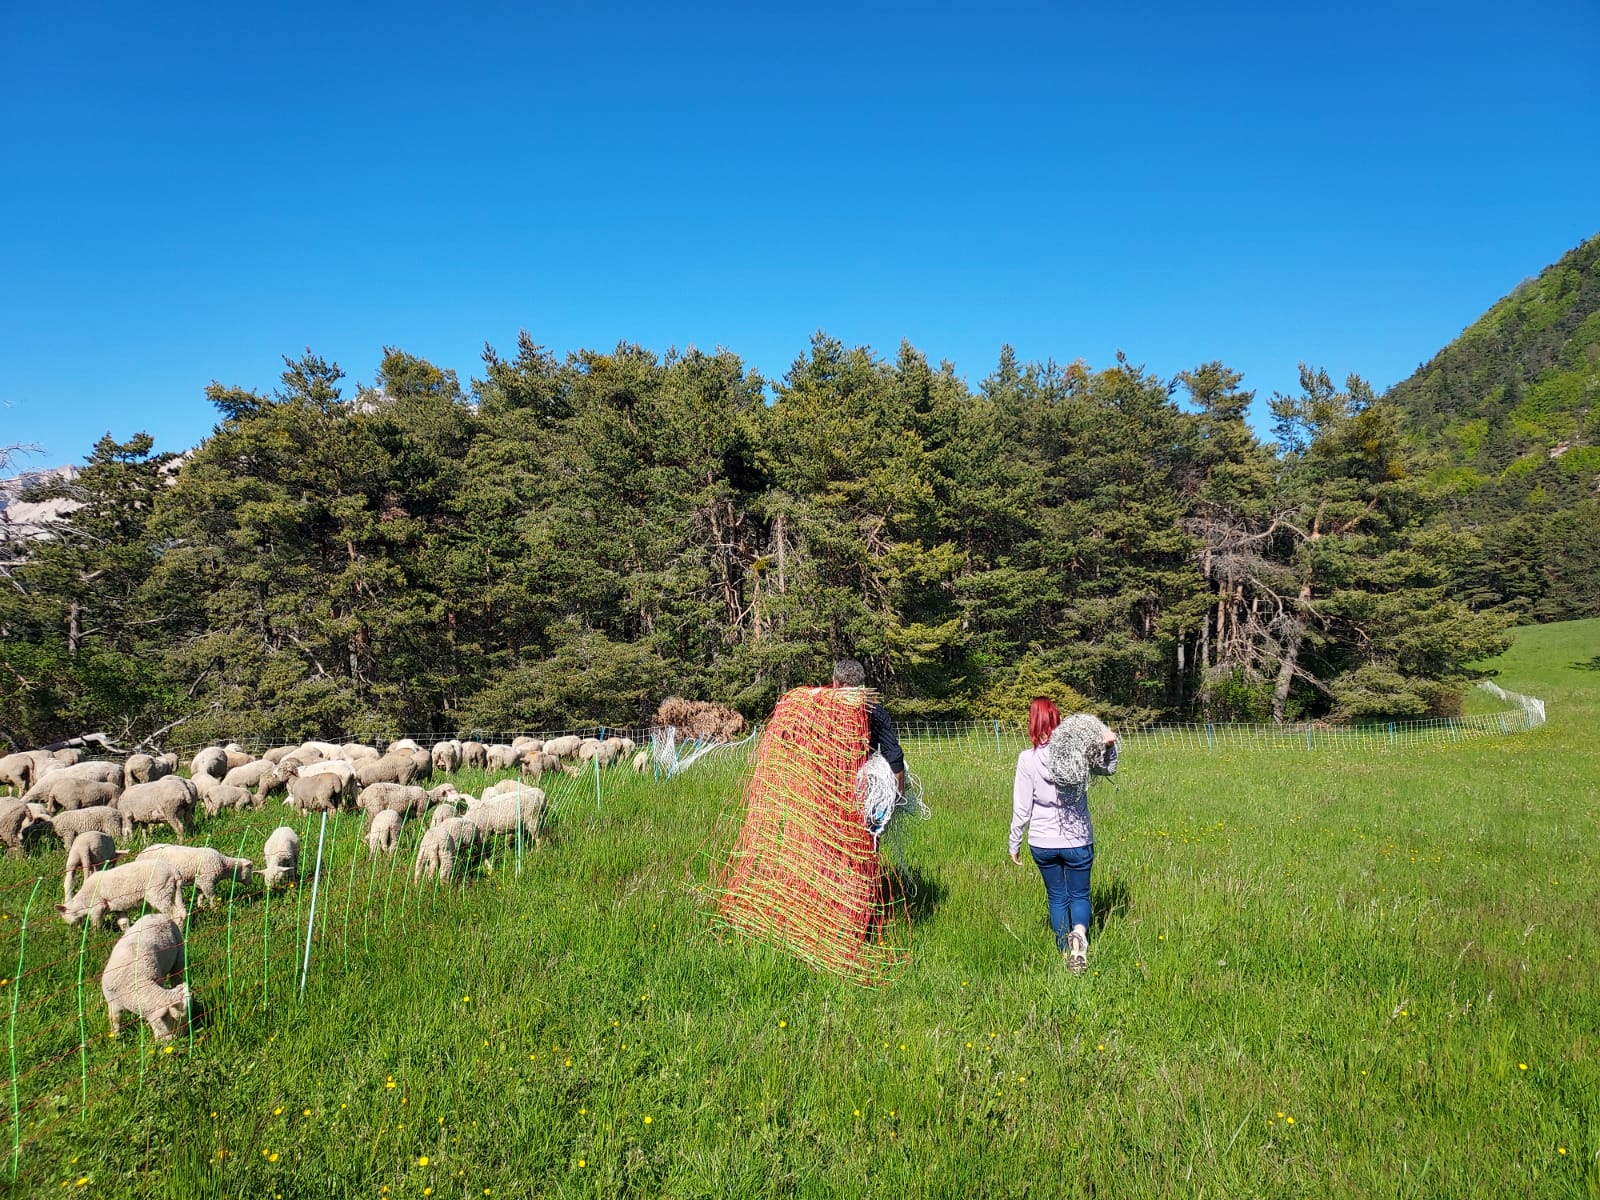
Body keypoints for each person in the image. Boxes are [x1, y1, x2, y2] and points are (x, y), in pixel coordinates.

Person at [1008, 697, 1118, 974]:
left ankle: (1062, 951)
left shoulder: (1027, 759)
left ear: (1032, 722)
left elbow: (1022, 808)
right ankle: (1079, 937)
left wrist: (1014, 843)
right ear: (1058, 719)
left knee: (1057, 897)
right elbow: (1108, 768)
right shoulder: (1078, 755)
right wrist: (1109, 744)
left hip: (1042, 842)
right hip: (1078, 838)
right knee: (1079, 894)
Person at [832, 658, 905, 796]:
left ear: (836, 683)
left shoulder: (819, 710)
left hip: (827, 786)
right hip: (861, 786)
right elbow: (893, 753)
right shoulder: (875, 711)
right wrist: (899, 793)